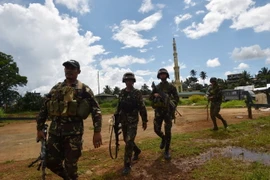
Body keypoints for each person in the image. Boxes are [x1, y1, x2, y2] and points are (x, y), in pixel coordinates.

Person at [36, 60, 102, 180]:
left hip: (73, 134)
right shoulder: (56, 88)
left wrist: (97, 131)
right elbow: (44, 108)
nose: (69, 70)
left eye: (72, 68)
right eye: (67, 68)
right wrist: (39, 128)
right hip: (55, 133)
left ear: (78, 71)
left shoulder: (84, 89)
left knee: (71, 166)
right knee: (50, 162)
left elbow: (96, 110)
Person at [114, 72, 148, 175]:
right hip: (123, 120)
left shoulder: (137, 93)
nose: (129, 82)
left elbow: (142, 107)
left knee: (129, 141)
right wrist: (115, 118)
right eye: (127, 80)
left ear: (133, 81)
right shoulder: (122, 93)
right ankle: (137, 151)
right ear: (124, 81)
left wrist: (144, 120)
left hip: (133, 121)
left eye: (131, 80)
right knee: (126, 139)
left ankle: (127, 165)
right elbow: (119, 106)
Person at [149, 68, 179, 160]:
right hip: (158, 112)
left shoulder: (171, 87)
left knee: (168, 131)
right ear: (159, 76)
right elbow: (150, 98)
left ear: (167, 75)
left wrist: (170, 102)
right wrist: (154, 95)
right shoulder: (156, 87)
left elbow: (176, 98)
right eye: (161, 74)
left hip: (168, 112)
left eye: (164, 74)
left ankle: (166, 151)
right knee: (156, 129)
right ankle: (163, 138)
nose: (162, 75)